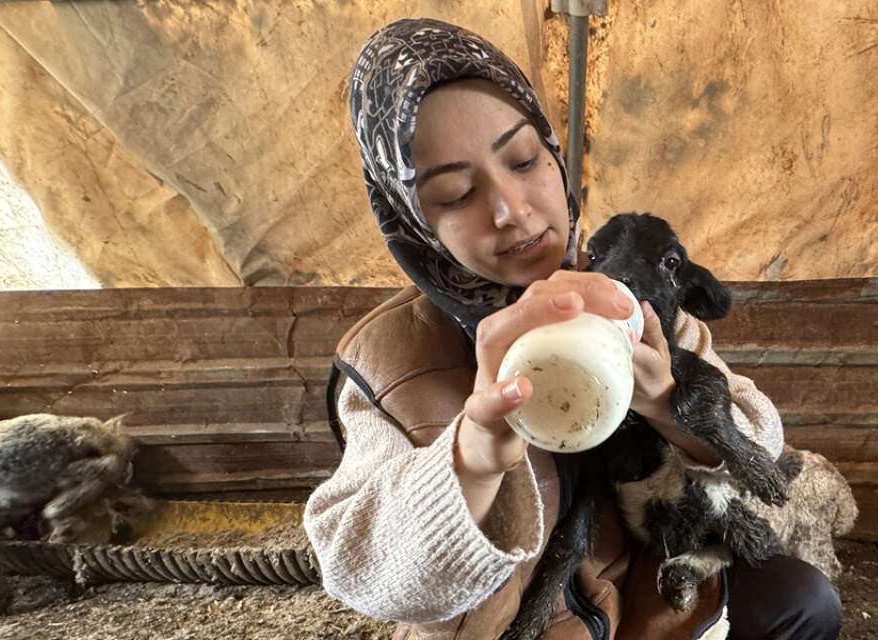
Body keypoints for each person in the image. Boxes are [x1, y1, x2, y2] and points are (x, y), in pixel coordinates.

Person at [303, 17, 842, 640]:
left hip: (644, 591)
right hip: (513, 628)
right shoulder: (388, 361)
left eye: (525, 159)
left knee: (802, 599)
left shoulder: (620, 291)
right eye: (454, 193)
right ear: (412, 220)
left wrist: (668, 402)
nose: (513, 210)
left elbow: (761, 437)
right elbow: (357, 566)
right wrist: (471, 456)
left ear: (555, 153)